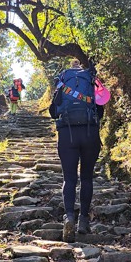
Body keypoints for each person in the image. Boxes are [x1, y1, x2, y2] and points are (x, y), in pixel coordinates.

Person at [49, 59, 105, 242]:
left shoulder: (63, 82)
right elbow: (101, 109)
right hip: (89, 133)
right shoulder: (90, 80)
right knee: (87, 177)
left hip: (67, 134)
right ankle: (83, 220)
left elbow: (53, 111)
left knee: (69, 178)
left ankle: (70, 217)